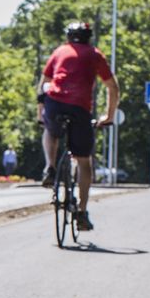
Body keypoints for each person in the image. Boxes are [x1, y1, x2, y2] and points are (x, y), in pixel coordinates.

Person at [37, 19, 119, 229]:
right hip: (80, 108)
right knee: (84, 162)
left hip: (54, 103)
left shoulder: (59, 52)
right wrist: (108, 116)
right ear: (88, 37)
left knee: (50, 130)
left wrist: (40, 113)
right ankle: (81, 213)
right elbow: (112, 87)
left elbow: (44, 83)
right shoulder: (94, 54)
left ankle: (50, 167)